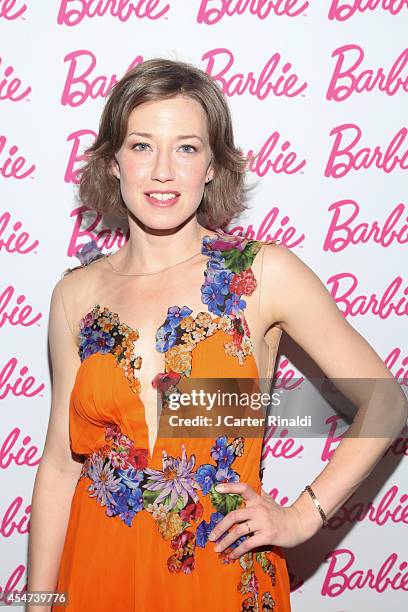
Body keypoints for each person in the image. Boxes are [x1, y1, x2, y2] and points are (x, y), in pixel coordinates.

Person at [27, 58, 407, 612]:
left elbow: (387, 403)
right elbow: (62, 465)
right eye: (140, 146)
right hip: (96, 574)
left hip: (218, 576)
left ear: (211, 166)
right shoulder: (75, 295)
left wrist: (302, 516)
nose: (163, 171)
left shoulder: (263, 274)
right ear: (112, 162)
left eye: (186, 147)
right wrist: (39, 601)